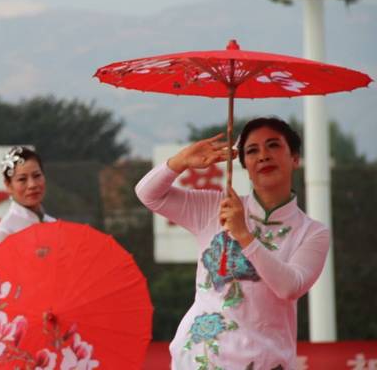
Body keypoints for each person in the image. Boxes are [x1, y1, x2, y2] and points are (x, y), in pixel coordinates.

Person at [135, 117, 330, 369]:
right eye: (252, 151)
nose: (263, 156)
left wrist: (243, 235)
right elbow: (147, 194)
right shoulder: (214, 207)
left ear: (295, 158)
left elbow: (290, 287)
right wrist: (180, 161)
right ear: (245, 166)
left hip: (263, 362)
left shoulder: (312, 232)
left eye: (273, 146)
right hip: (198, 359)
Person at [0, 146, 55, 251]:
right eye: (22, 179)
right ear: (8, 185)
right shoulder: (4, 233)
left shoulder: (53, 224)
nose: (32, 185)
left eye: (37, 176)